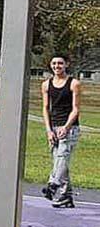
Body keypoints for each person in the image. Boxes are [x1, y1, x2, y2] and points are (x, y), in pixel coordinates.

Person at [41, 54, 81, 208]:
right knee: (59, 162)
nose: (57, 66)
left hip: (70, 128)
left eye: (60, 63)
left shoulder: (74, 83)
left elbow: (75, 109)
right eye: (54, 63)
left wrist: (66, 127)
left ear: (66, 65)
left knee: (62, 157)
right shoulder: (46, 84)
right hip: (54, 127)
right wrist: (49, 130)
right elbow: (45, 108)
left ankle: (53, 184)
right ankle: (66, 196)